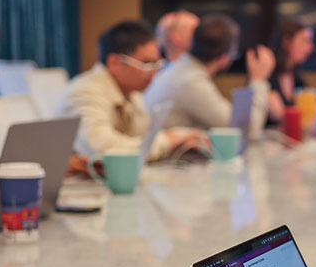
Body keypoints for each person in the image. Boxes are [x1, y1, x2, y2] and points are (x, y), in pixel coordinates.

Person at [55, 20, 203, 160]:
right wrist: (168, 141)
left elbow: (144, 140)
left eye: (156, 63)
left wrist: (182, 140)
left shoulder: (132, 94)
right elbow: (102, 149)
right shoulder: (84, 92)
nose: (154, 71)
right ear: (115, 63)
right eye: (146, 63)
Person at [143, 13, 275, 133]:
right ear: (225, 57)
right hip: (164, 158)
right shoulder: (190, 81)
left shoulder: (180, 70)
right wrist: (258, 80)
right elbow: (244, 131)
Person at [266, 18, 315, 124]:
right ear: (286, 42)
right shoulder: (266, 77)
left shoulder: (297, 77)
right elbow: (279, 115)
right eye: (305, 41)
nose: (310, 48)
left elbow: (313, 114)